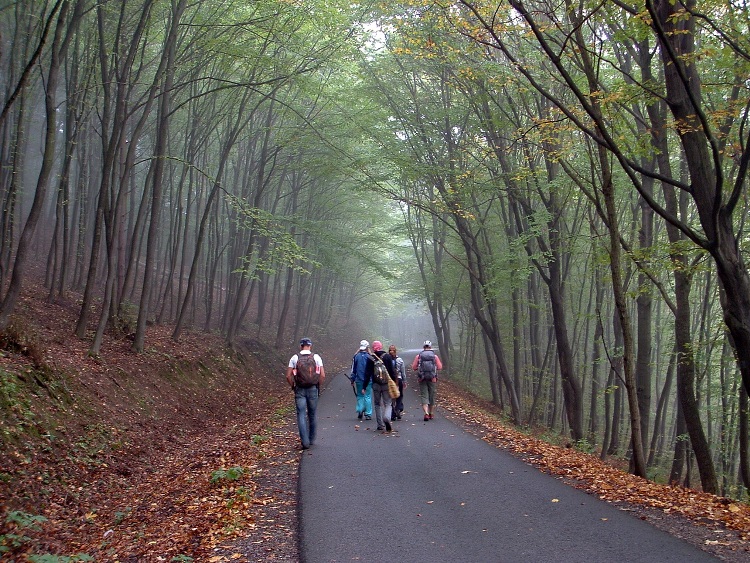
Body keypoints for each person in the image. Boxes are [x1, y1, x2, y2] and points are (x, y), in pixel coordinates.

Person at [286, 337, 325, 449]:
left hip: (300, 389)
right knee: (312, 414)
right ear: (310, 346)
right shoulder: (316, 357)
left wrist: (293, 385)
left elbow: (288, 375)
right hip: (313, 388)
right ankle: (312, 439)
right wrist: (318, 385)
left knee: (301, 414)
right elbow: (322, 375)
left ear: (300, 346)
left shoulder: (294, 358)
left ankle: (305, 442)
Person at [364, 340, 395, 432]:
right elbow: (392, 372)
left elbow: (367, 373)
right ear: (381, 346)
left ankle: (380, 425)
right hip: (386, 384)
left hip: (376, 384)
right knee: (388, 403)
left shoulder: (370, 358)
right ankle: (387, 418)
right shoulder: (387, 356)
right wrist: (393, 383)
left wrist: (364, 386)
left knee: (377, 404)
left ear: (373, 347)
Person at [412, 340, 443, 421]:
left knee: (424, 395)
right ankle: (431, 413)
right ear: (430, 347)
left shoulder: (418, 356)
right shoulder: (434, 356)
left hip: (422, 378)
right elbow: (439, 367)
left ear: (423, 347)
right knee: (431, 395)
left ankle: (426, 413)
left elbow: (414, 367)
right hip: (432, 379)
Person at [349, 340, 373, 421]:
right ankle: (368, 414)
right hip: (368, 380)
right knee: (367, 396)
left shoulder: (356, 357)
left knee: (360, 395)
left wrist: (352, 379)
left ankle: (360, 410)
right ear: (367, 347)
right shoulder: (370, 357)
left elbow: (353, 369)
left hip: (358, 379)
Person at [388, 344, 406, 420]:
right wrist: (404, 381)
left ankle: (392, 414)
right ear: (396, 351)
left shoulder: (386, 360)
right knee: (399, 395)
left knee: (391, 397)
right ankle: (398, 408)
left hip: (390, 380)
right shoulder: (400, 360)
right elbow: (403, 372)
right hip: (398, 380)